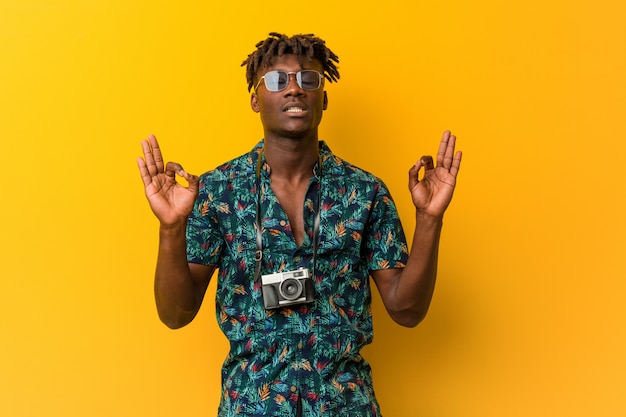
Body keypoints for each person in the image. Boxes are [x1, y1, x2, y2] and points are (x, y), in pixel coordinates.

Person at [137, 32, 462, 417]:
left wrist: (429, 219)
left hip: (345, 406)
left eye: (309, 80)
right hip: (251, 406)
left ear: (323, 97)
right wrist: (171, 227)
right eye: (277, 80)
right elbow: (176, 314)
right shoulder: (217, 190)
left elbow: (407, 310)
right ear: (256, 100)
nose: (295, 89)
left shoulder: (365, 192)